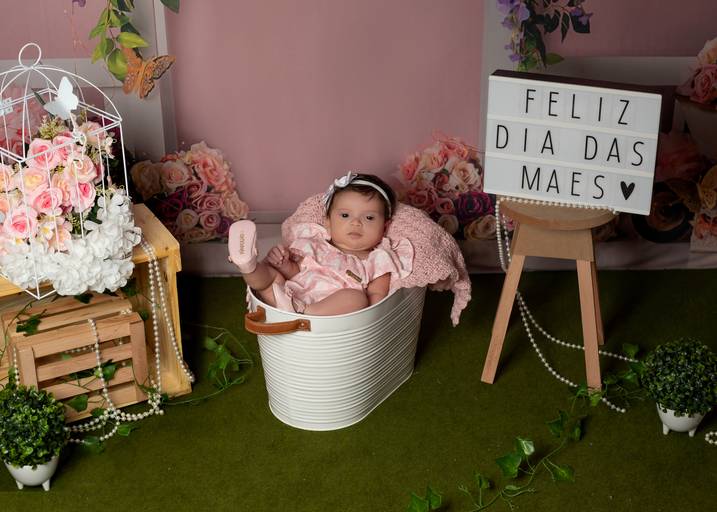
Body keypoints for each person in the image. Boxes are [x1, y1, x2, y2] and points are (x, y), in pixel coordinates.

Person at [228, 172, 413, 315]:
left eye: (369, 217)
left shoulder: (378, 259)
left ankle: (303, 312)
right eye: (345, 215)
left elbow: (377, 296)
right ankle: (248, 265)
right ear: (328, 223)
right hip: (290, 295)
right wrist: (284, 265)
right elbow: (296, 273)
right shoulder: (316, 244)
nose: (356, 223)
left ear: (384, 226)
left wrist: (370, 314)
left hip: (331, 310)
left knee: (357, 299)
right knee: (271, 278)